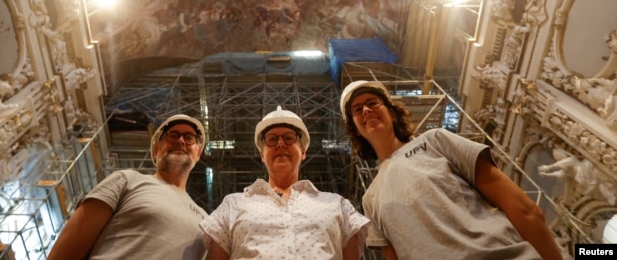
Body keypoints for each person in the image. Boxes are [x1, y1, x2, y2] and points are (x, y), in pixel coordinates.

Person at [340, 80, 564, 260]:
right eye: (358, 110)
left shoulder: (435, 141)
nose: (367, 110)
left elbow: (524, 209)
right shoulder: (370, 198)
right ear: (356, 129)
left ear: (392, 112)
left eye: (373, 102)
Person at [200, 105, 370, 260]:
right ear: (262, 155)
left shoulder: (338, 205)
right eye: (272, 139)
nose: (280, 144)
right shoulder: (232, 205)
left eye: (289, 138)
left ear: (303, 151)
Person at [48, 114, 208, 260]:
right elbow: (71, 244)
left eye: (189, 138)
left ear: (198, 153)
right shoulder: (128, 180)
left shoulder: (206, 220)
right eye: (173, 136)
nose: (180, 141)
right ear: (157, 149)